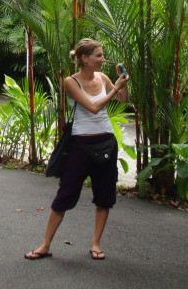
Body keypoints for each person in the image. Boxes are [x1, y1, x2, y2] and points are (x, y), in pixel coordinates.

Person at [25, 38, 129, 262]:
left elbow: (124, 99)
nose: (103, 60)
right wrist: (114, 91)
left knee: (104, 196)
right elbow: (92, 107)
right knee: (65, 194)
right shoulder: (70, 82)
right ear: (85, 58)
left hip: (106, 143)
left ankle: (96, 243)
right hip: (80, 145)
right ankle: (45, 245)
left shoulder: (103, 78)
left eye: (102, 55)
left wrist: (123, 84)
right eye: (99, 56)